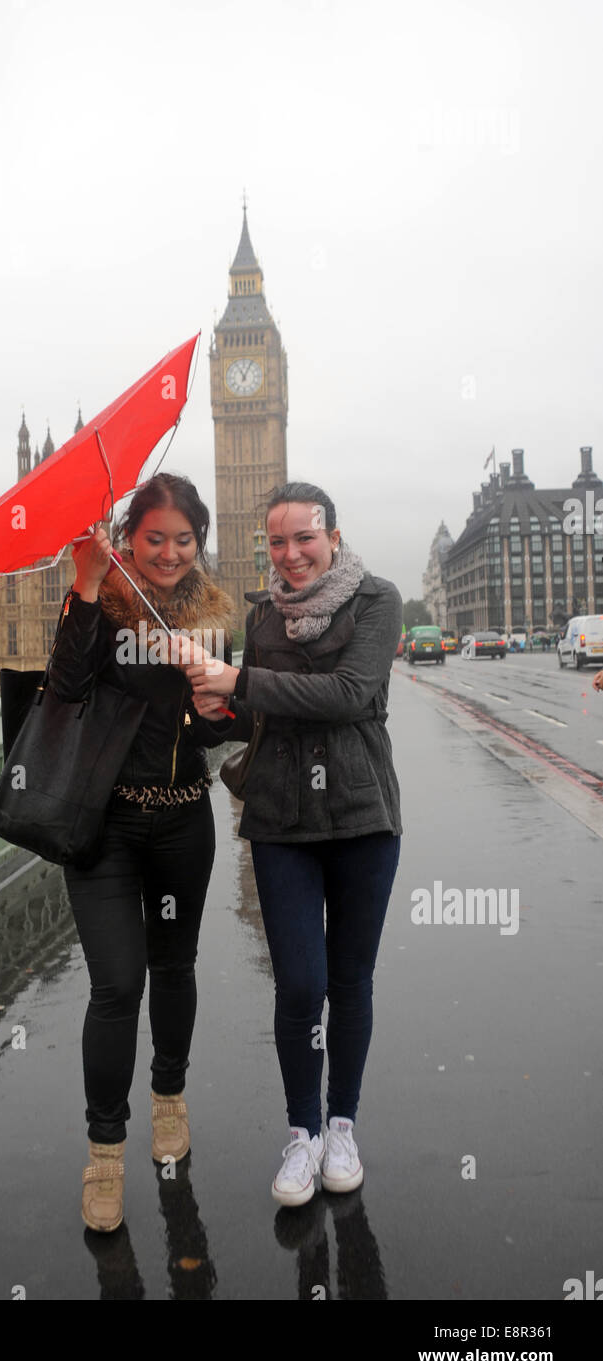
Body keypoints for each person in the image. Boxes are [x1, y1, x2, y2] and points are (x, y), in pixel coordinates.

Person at [188, 481, 403, 1205]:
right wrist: (217, 708)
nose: (290, 554)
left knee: (350, 982)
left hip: (360, 812)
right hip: (281, 817)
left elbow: (349, 694)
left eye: (303, 538)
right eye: (275, 542)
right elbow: (256, 716)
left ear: (332, 538)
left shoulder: (376, 600)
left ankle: (341, 1122)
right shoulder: (261, 615)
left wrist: (240, 678)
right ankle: (300, 1134)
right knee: (300, 986)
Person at [46, 473, 233, 1233]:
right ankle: (103, 1156)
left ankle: (169, 1099)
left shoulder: (211, 617)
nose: (168, 552)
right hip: (105, 830)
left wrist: (216, 705)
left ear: (198, 543)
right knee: (116, 986)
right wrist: (86, 588)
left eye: (182, 539)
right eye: (153, 538)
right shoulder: (99, 607)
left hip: (184, 819)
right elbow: (62, 690)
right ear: (129, 539)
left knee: (175, 967)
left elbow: (218, 732)